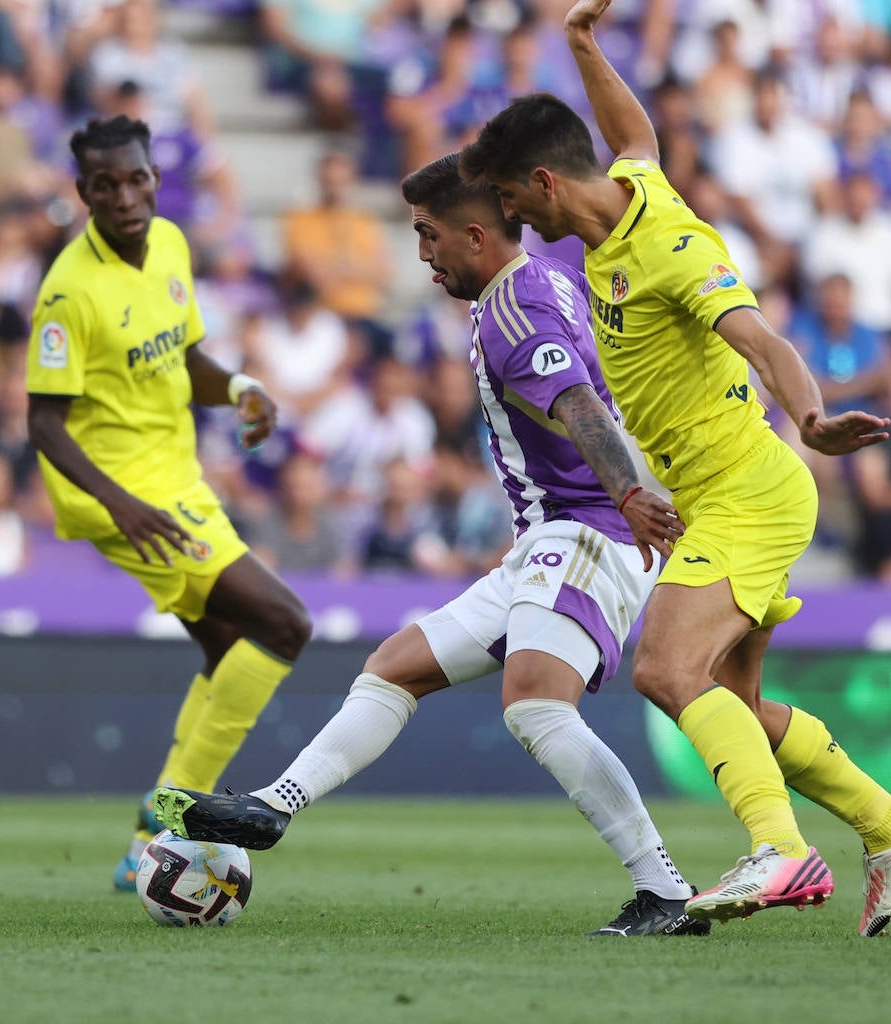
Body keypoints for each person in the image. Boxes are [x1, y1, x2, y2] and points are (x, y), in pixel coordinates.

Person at [453, 0, 891, 936]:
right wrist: (583, 45)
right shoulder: (625, 190)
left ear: (545, 184)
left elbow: (757, 336)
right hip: (716, 495)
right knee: (739, 705)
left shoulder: (672, 251)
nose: (508, 218)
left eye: (511, 200)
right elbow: (632, 130)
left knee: (668, 667)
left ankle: (782, 849)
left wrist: (810, 415)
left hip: (750, 490)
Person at [156, 152, 710, 938]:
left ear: (476, 236)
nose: (420, 254)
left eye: (427, 235)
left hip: (589, 529)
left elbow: (582, 405)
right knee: (393, 667)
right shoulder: (539, 276)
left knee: (535, 707)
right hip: (550, 536)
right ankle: (274, 807)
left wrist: (627, 493)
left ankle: (665, 892)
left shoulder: (517, 311)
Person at [24, 116, 311, 892]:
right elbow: (43, 421)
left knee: (229, 655)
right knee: (284, 623)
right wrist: (118, 504)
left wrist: (242, 386)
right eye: (106, 185)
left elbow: (184, 359)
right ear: (82, 194)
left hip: (177, 478)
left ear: (155, 177)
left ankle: (145, 846)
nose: (125, 196)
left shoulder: (174, 246)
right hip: (124, 496)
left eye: (137, 178)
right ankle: (162, 826)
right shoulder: (68, 293)